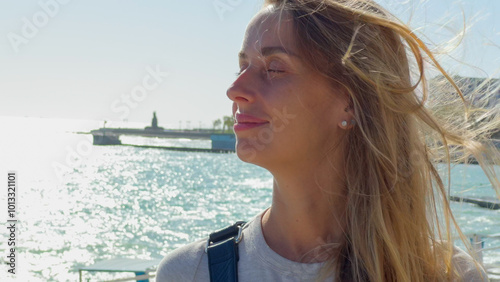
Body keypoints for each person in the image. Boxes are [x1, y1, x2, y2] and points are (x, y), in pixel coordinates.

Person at [157, 0, 499, 281]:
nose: (235, 90)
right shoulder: (190, 273)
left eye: (274, 67)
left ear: (349, 100)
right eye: (242, 65)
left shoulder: (446, 275)